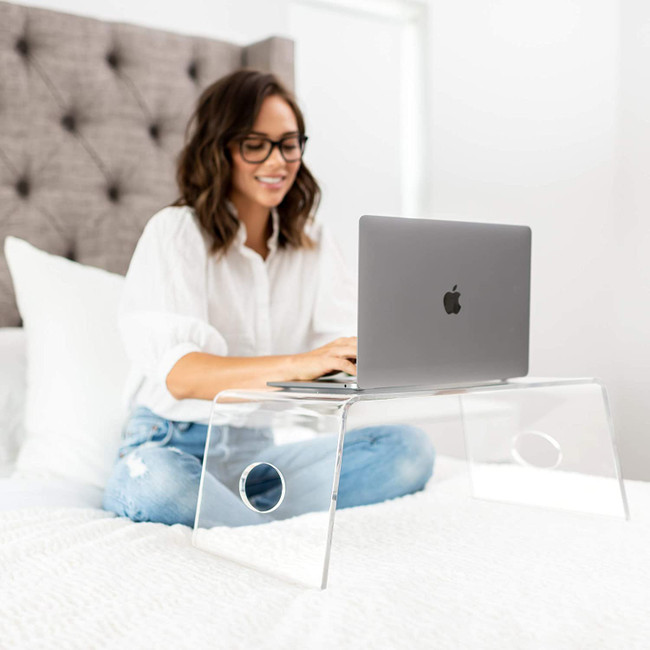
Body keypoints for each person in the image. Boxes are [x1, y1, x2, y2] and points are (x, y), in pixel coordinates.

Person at [102, 69, 435, 527]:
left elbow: (337, 351)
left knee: (406, 450)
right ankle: (265, 527)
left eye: (289, 143)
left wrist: (384, 353)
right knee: (157, 485)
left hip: (258, 461)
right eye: (255, 144)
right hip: (168, 446)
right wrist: (299, 363)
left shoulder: (314, 241)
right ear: (220, 149)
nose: (278, 161)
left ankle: (236, 521)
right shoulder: (175, 231)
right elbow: (182, 375)